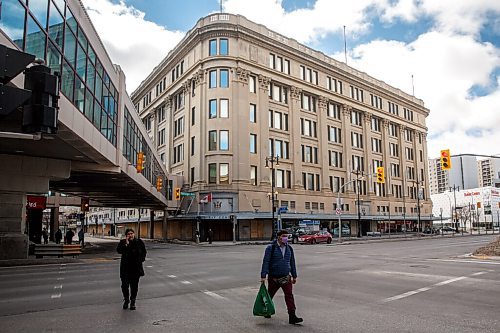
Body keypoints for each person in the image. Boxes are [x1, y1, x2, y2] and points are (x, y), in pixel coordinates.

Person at [260, 229, 303, 325]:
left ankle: (292, 316)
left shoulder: (289, 248)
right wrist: (263, 276)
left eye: (287, 236)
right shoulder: (271, 248)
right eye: (284, 236)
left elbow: (292, 262)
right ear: (278, 237)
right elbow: (266, 262)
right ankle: (267, 310)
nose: (286, 238)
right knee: (269, 295)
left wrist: (294, 275)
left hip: (286, 277)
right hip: (274, 277)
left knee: (289, 295)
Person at [117, 228, 147, 310]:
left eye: (131, 233)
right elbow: (119, 251)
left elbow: (144, 252)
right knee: (124, 286)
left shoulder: (139, 242)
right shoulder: (123, 242)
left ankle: (133, 301)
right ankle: (126, 300)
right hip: (125, 268)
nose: (130, 235)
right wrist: (126, 245)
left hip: (135, 268)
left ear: (134, 234)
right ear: (126, 236)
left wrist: (141, 259)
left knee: (134, 286)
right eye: (128, 234)